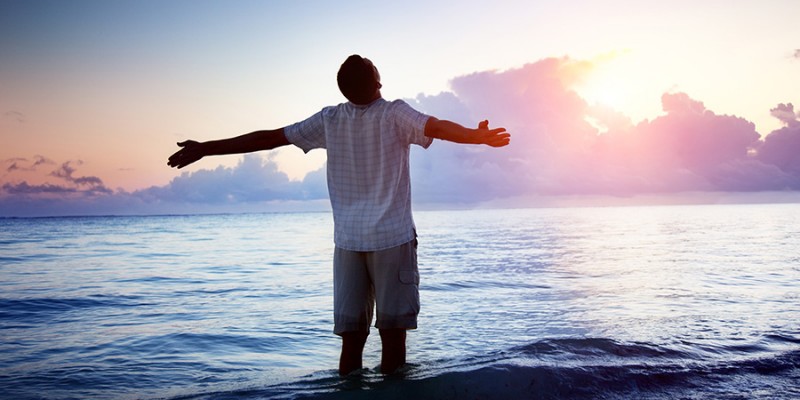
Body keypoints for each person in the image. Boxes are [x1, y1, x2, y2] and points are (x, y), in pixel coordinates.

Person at [167, 55, 510, 376]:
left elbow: (270, 138)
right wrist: (476, 136)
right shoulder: (394, 113)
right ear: (378, 82)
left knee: (351, 340)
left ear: (344, 91)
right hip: (393, 240)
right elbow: (437, 127)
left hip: (348, 244)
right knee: (393, 337)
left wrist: (207, 148)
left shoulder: (330, 119)